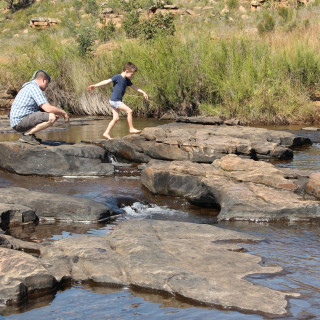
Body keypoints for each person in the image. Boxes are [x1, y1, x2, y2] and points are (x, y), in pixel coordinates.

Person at [88, 62, 149, 140]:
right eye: (132, 74)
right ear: (126, 71)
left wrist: (143, 92)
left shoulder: (127, 80)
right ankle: (131, 128)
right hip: (115, 100)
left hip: (115, 101)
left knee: (116, 118)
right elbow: (107, 81)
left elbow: (134, 87)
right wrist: (95, 85)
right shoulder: (118, 77)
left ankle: (106, 133)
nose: (132, 76)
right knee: (129, 111)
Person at [10, 70, 69, 145]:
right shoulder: (34, 88)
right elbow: (48, 108)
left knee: (52, 115)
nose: (47, 86)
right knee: (51, 117)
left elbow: (44, 109)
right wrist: (63, 112)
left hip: (17, 121)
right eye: (47, 83)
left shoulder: (29, 86)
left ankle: (30, 135)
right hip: (20, 121)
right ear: (44, 79)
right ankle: (26, 135)